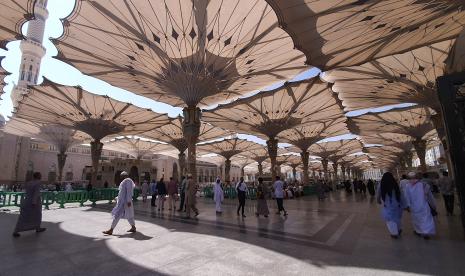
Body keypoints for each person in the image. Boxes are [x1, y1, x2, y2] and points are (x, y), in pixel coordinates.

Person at [404, 172, 437, 239]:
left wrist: (408, 205)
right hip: (423, 206)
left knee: (417, 220)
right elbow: (430, 196)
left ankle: (419, 231)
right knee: (425, 220)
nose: (412, 180)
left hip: (415, 207)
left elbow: (406, 197)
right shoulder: (423, 185)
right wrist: (433, 205)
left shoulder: (408, 186)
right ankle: (426, 232)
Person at [12, 172, 46, 237]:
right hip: (34, 202)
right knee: (37, 215)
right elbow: (36, 193)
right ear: (38, 176)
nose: (41, 176)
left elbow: (26, 190)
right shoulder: (38, 183)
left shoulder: (29, 182)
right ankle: (37, 228)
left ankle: (16, 230)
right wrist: (34, 202)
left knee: (23, 216)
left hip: (27, 200)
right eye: (40, 175)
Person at [377, 172, 404, 239]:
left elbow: (378, 194)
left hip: (387, 205)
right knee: (397, 218)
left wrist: (378, 200)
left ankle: (394, 233)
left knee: (390, 220)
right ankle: (398, 229)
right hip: (397, 205)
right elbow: (400, 194)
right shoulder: (395, 184)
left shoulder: (381, 184)